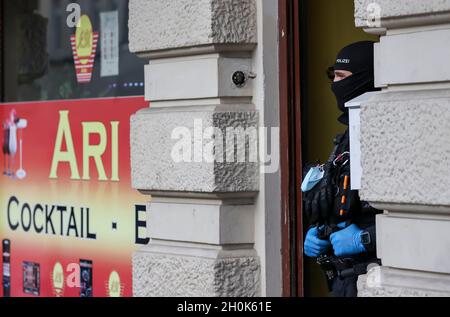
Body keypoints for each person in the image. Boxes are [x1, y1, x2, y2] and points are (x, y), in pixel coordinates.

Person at [303, 41, 382, 297]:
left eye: (341, 76)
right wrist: (320, 232)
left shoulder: (388, 134)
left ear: (366, 78)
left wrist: (366, 238)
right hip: (343, 281)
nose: (335, 84)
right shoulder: (346, 139)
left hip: (376, 277)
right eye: (332, 75)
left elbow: (419, 219)